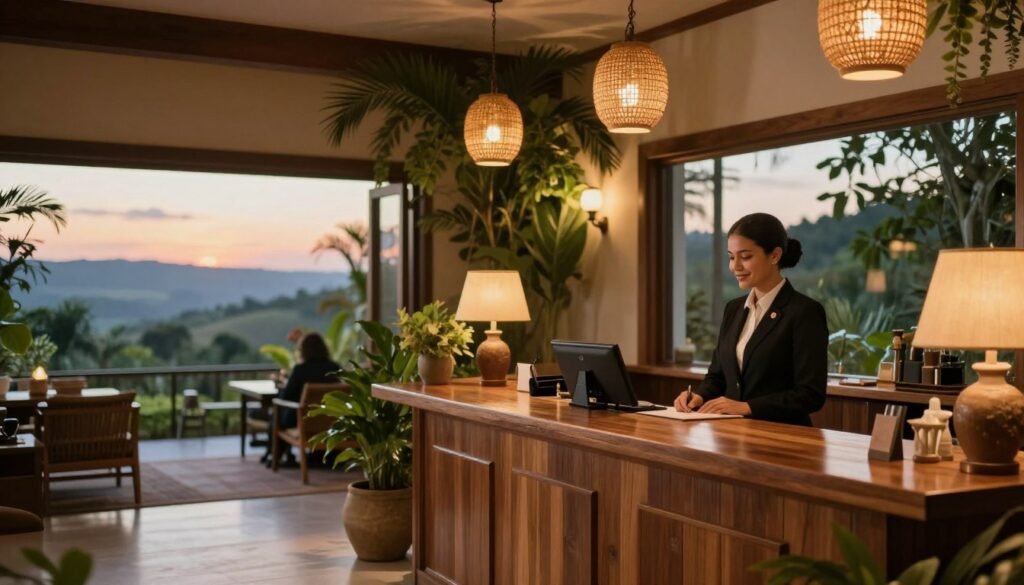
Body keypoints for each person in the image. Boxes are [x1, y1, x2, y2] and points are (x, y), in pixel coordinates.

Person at [674, 213, 827, 426]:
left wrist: (748, 407)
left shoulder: (804, 312)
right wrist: (699, 397)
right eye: (731, 257)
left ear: (774, 256)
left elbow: (810, 394)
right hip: (732, 434)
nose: (735, 266)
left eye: (745, 257)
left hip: (783, 438)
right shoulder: (734, 309)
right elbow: (717, 375)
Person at [265, 332, 340, 467]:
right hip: (329, 422)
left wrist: (283, 385)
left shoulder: (300, 370)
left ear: (303, 350)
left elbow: (286, 397)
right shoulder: (335, 368)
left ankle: (276, 456)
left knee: (277, 413)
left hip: (302, 419)